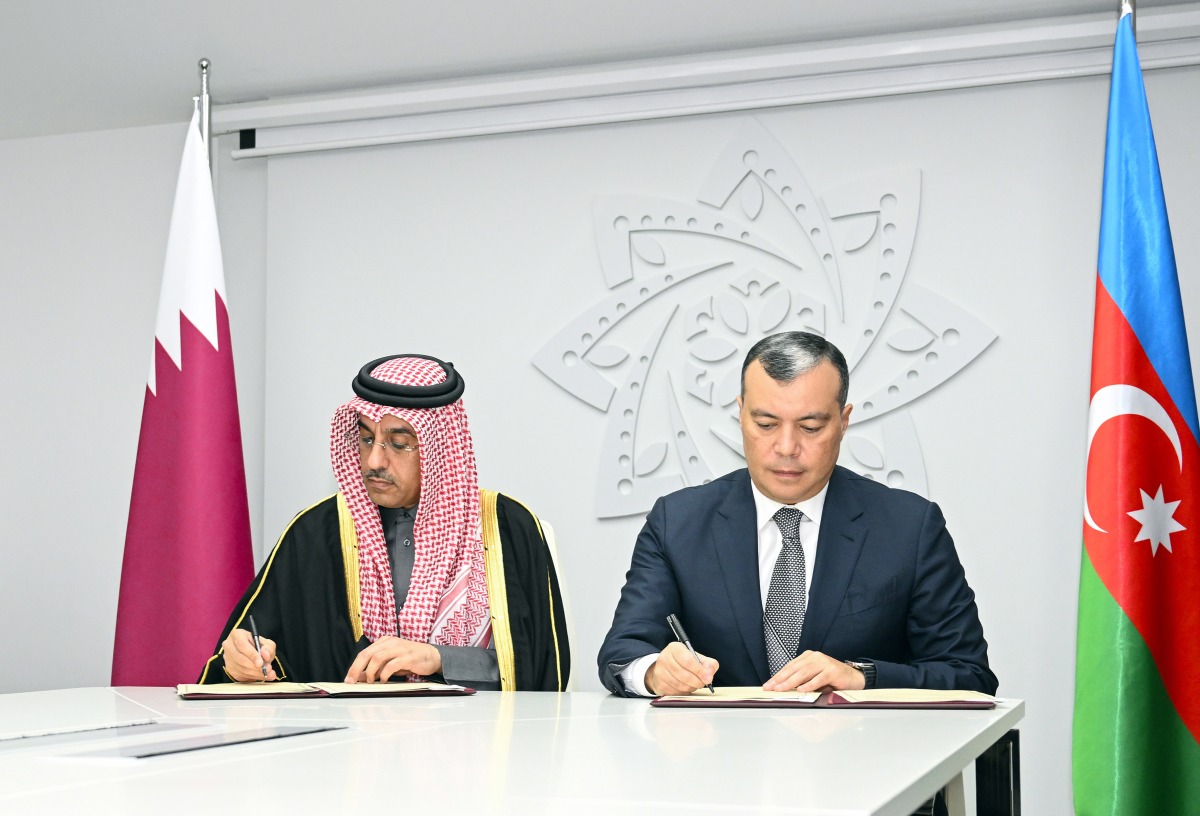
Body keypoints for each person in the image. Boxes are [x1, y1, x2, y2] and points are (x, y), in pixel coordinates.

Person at [598, 331, 996, 697]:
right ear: (741, 413)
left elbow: (969, 675)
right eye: (766, 423)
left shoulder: (910, 527)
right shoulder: (678, 522)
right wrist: (653, 672)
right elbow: (622, 653)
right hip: (716, 763)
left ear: (843, 421)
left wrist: (862, 676)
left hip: (863, 761)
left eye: (810, 427)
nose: (786, 447)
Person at [200, 354, 569, 691]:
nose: (374, 460)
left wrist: (438, 658)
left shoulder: (506, 529)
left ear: (440, 446)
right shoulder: (315, 533)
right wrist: (244, 661)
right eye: (365, 438)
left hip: (477, 749)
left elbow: (544, 666)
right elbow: (268, 655)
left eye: (399, 443)